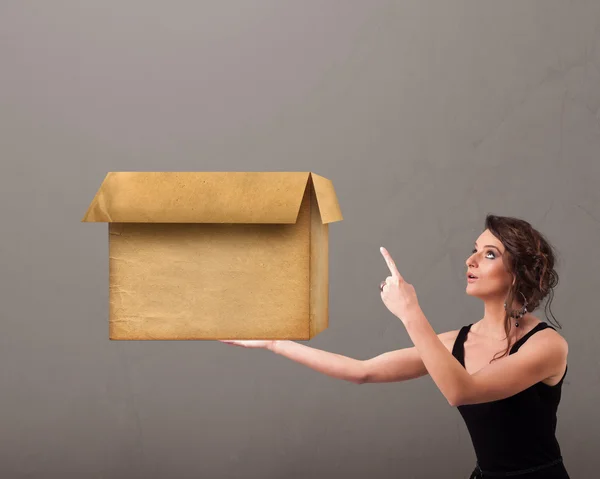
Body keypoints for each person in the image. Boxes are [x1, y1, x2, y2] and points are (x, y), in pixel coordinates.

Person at [220, 214, 570, 478]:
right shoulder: (454, 344)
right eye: (474, 251)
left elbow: (460, 391)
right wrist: (273, 342)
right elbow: (363, 371)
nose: (471, 261)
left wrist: (409, 311)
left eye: (489, 254)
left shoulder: (546, 346)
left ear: (518, 273)